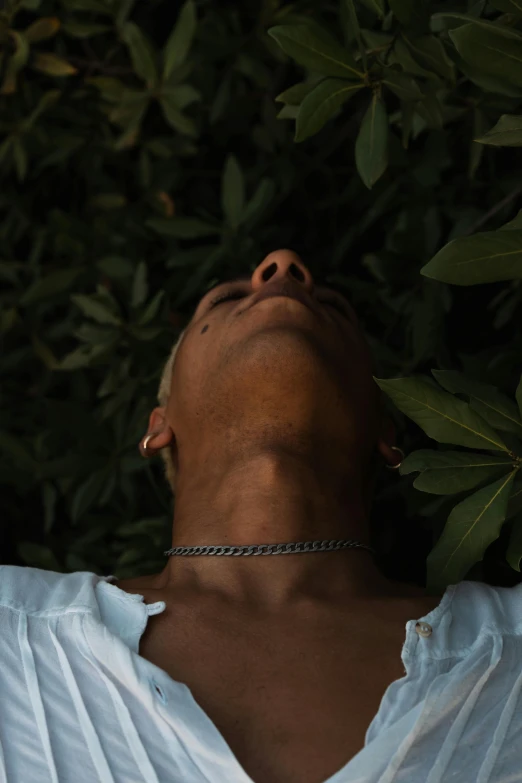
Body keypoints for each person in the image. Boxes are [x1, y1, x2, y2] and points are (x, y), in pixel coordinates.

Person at [1, 248, 521, 783]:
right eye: (225, 299)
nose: (284, 265)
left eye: (333, 309)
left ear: (388, 436)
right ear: (160, 425)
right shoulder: (10, 631)